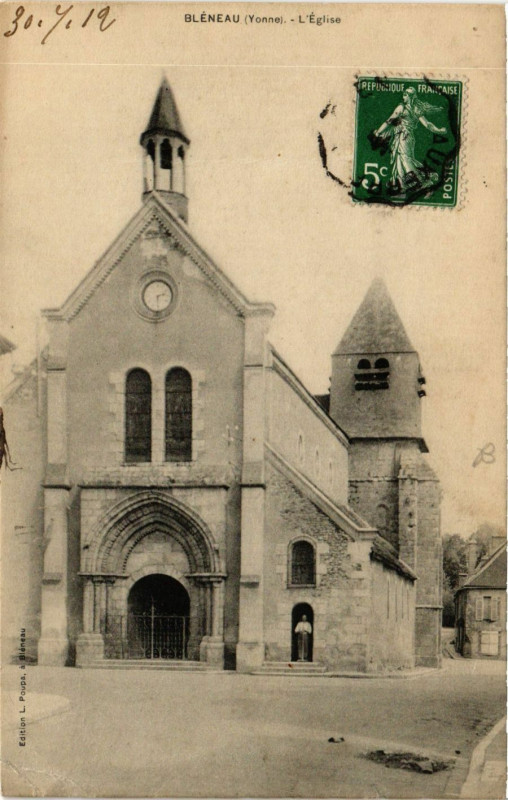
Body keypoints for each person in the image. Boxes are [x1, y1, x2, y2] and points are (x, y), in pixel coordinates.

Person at [371, 87, 447, 194]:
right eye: (403, 94)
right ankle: (403, 185)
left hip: (403, 137)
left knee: (405, 161)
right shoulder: (415, 109)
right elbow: (427, 124)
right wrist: (438, 130)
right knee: (401, 160)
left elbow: (389, 121)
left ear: (410, 97)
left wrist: (378, 132)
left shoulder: (401, 108)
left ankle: (421, 182)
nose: (403, 96)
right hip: (406, 137)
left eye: (406, 95)